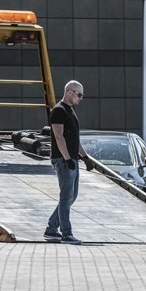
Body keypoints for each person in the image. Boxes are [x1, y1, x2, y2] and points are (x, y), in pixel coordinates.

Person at [44, 80, 94, 245]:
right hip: (63, 160)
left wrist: (85, 157)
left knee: (72, 196)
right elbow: (59, 136)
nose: (81, 98)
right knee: (66, 197)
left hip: (72, 159)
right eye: (79, 95)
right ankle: (66, 233)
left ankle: (52, 228)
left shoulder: (70, 111)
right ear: (70, 92)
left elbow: (74, 139)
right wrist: (66, 159)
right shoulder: (58, 111)